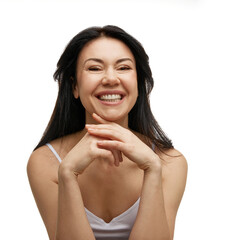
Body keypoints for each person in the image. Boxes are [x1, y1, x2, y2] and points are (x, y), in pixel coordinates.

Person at [27, 25, 188, 240]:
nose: (111, 78)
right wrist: (68, 173)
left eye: (123, 68)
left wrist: (152, 168)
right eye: (94, 69)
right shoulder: (46, 161)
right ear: (74, 86)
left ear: (139, 83)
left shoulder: (170, 162)